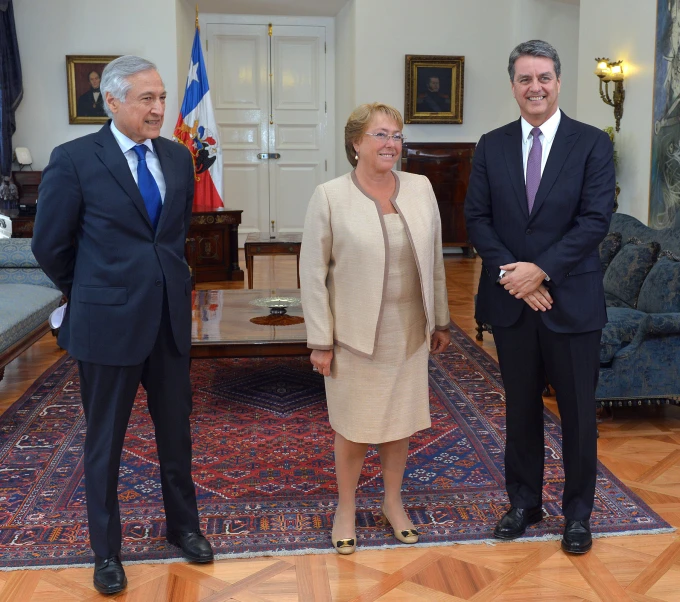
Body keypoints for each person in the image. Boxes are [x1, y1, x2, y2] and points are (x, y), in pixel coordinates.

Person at [32, 55, 213, 595]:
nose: (159, 108)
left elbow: (173, 238)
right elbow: (50, 245)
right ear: (112, 102)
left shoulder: (179, 158)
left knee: (176, 434)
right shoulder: (74, 159)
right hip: (106, 324)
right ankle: (106, 553)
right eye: (147, 99)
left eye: (161, 97)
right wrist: (90, 292)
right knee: (105, 443)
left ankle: (184, 528)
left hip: (168, 323)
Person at [464, 40, 615, 554]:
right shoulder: (491, 143)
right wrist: (516, 277)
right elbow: (477, 218)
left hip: (570, 301)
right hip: (512, 302)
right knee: (521, 409)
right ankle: (524, 503)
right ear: (512, 85)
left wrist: (541, 271)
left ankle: (578, 515)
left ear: (558, 81)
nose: (535, 87)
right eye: (525, 79)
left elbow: (595, 220)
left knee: (577, 414)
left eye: (544, 77)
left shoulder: (592, 143)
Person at [300, 102, 451, 555]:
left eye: (397, 135)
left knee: (399, 422)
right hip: (354, 336)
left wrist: (440, 318)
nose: (391, 144)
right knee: (353, 426)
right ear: (356, 143)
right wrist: (320, 340)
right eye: (381, 135)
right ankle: (345, 508)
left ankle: (392, 502)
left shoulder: (421, 188)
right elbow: (312, 274)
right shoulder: (329, 196)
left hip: (408, 330)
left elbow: (436, 258)